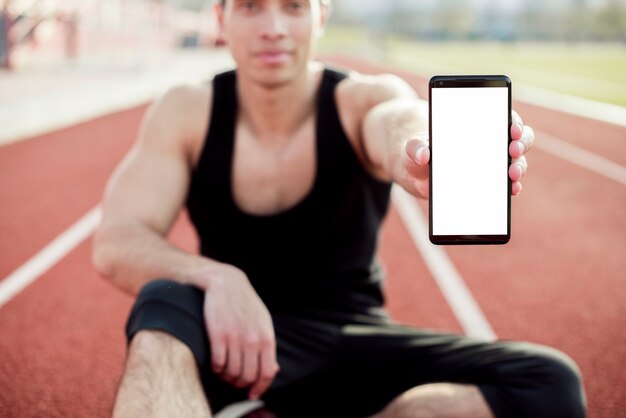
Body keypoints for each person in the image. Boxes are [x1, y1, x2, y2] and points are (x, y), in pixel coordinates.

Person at [92, 0, 586, 417]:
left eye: (293, 6)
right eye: (249, 6)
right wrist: (217, 277)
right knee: (163, 300)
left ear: (320, 16)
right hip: (229, 342)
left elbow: (398, 120)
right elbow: (117, 240)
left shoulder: (361, 99)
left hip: (351, 338)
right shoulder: (186, 111)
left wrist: (424, 150)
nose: (274, 26)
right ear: (221, 19)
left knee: (548, 382)